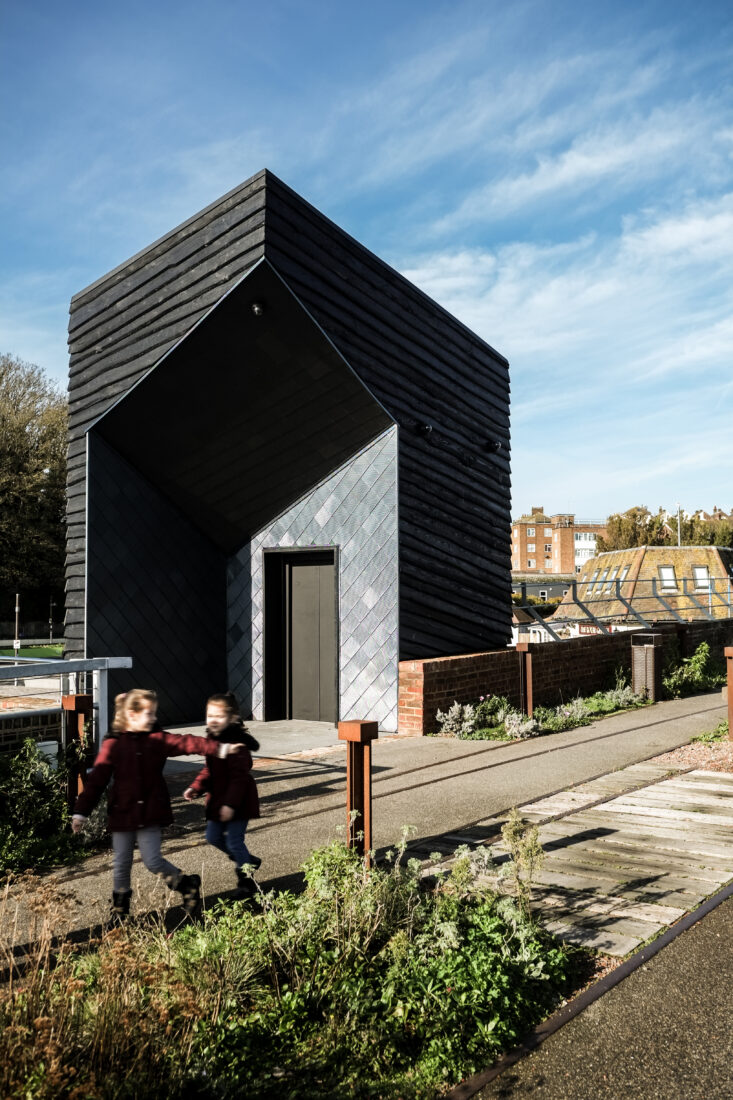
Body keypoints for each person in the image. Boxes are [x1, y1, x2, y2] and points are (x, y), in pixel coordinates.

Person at [71, 688, 244, 921]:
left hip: (150, 812)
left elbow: (188, 742)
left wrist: (220, 748)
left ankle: (187, 885)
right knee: (121, 864)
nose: (154, 718)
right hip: (123, 814)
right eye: (149, 714)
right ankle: (120, 913)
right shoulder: (113, 744)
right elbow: (97, 779)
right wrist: (81, 811)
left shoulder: (157, 740)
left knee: (152, 860)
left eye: (154, 713)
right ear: (131, 715)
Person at [183, 692, 261, 899]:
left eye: (219, 716)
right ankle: (247, 860)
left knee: (235, 841)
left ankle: (247, 881)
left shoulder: (239, 744)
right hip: (218, 800)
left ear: (233, 718)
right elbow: (208, 770)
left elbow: (238, 778)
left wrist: (230, 804)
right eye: (210, 715)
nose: (213, 720)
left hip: (239, 801)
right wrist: (196, 787)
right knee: (212, 837)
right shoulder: (212, 741)